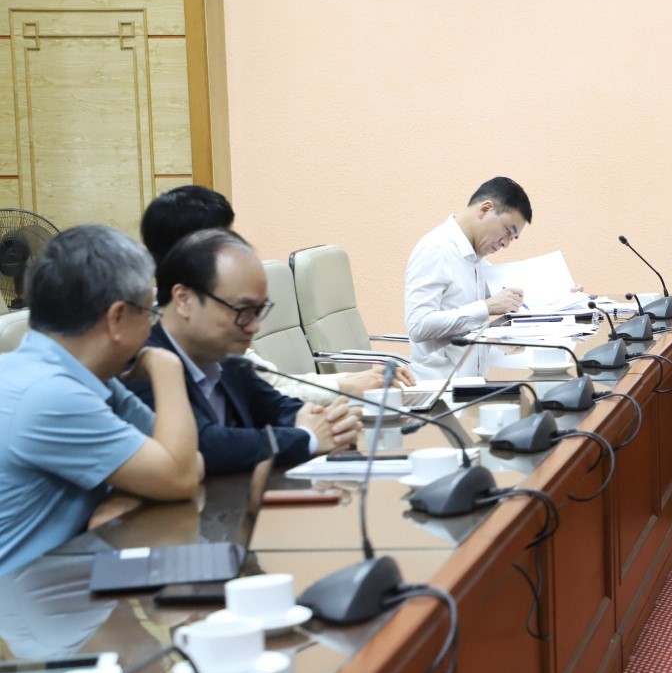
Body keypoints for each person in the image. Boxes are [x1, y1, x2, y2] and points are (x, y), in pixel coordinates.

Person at [0, 226, 201, 576]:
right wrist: (166, 366)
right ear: (117, 317)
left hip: (65, 580)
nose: (153, 327)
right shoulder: (51, 395)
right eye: (150, 313)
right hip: (20, 600)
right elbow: (181, 475)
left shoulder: (81, 375)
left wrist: (126, 494)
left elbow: (190, 461)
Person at [141, 185, 413, 399]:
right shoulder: (159, 349)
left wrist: (354, 381)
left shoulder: (216, 330)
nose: (253, 326)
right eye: (223, 242)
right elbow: (262, 400)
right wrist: (346, 387)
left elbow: (272, 387)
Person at [129, 229, 361, 475]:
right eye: (243, 311)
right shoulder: (142, 364)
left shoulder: (225, 357)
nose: (254, 326)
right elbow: (202, 445)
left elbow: (275, 408)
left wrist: (329, 423)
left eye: (259, 311)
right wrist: (307, 437)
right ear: (184, 300)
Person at [405, 177, 532, 379]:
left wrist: (566, 297)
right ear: (485, 210)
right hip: (439, 389)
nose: (506, 243)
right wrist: (487, 307)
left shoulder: (477, 259)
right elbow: (418, 325)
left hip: (474, 384)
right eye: (507, 231)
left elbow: (518, 299)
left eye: (512, 238)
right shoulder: (436, 249)